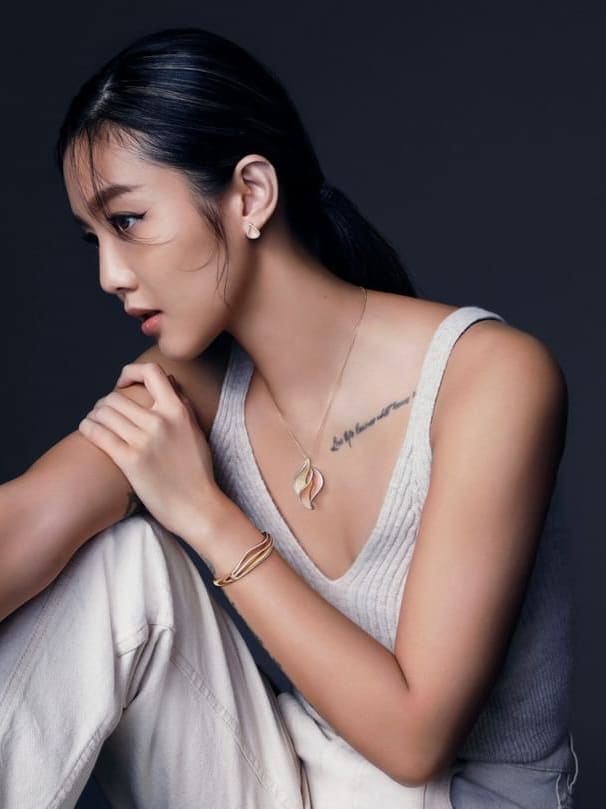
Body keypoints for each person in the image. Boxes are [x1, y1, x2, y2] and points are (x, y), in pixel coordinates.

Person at [0, 25, 579, 809]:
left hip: (456, 797)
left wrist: (204, 513)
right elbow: (24, 526)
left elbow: (417, 738)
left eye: (127, 221)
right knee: (121, 569)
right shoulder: (184, 385)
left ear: (250, 194)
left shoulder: (492, 378)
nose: (109, 273)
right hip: (294, 778)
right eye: (93, 238)